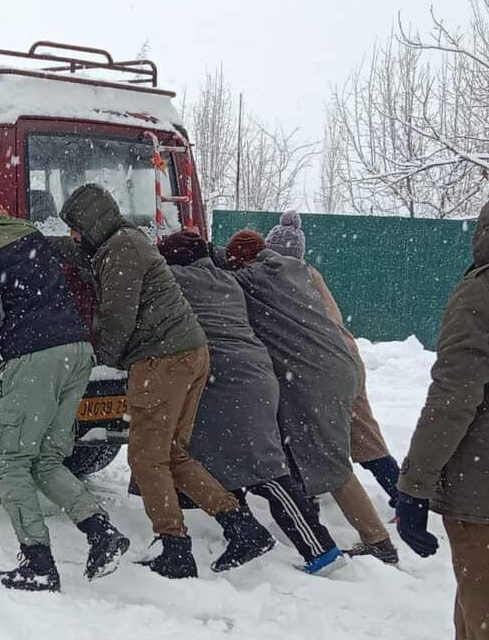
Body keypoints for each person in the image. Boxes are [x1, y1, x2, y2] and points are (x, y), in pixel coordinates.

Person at [59, 184, 274, 580]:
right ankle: (243, 528)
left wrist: (103, 359)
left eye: (75, 228)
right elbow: (95, 267)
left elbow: (118, 315)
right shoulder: (126, 241)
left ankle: (175, 547)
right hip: (189, 352)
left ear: (90, 223)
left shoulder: (120, 250)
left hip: (162, 359)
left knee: (146, 458)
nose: (73, 235)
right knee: (173, 454)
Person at [0, 177, 129, 593]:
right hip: (76, 351)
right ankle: (101, 534)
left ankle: (38, 564)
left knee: (8, 462)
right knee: (45, 459)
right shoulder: (27, 231)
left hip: (36, 359)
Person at [156, 231, 347, 575]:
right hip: (246, 376)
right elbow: (212, 257)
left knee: (266, 470)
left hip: (234, 381)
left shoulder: (178, 280)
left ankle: (321, 551)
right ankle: (243, 534)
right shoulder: (226, 279)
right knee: (216, 458)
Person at [226, 230, 399, 564]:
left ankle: (378, 542)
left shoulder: (250, 281)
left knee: (331, 461)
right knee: (342, 443)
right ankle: (325, 512)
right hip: (342, 360)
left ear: (243, 262)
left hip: (316, 376)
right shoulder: (296, 270)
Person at [264, 211, 402, 509]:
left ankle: (307, 502)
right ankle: (403, 499)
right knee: (364, 435)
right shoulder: (310, 274)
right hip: (347, 356)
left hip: (322, 364)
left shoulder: (279, 278)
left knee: (303, 434)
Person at [396, 202, 489, 640]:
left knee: (481, 609)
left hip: (481, 490)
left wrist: (415, 486)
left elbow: (454, 395)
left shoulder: (481, 291)